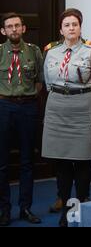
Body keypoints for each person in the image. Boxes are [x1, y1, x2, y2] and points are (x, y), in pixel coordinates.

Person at [42, 8, 91, 227]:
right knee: (61, 163)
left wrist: (87, 103)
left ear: (80, 27)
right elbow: (47, 83)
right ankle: (64, 205)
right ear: (61, 29)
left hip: (83, 108)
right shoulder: (51, 52)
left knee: (81, 161)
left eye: (75, 24)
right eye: (67, 25)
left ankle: (78, 207)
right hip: (57, 109)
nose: (71, 28)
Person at [0, 13, 43, 226]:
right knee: (2, 163)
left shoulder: (34, 52)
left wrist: (30, 96)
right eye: (9, 26)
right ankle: (4, 210)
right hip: (4, 107)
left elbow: (39, 81)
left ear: (23, 28)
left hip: (27, 107)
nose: (14, 29)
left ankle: (25, 207)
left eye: (17, 25)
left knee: (27, 160)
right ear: (3, 31)